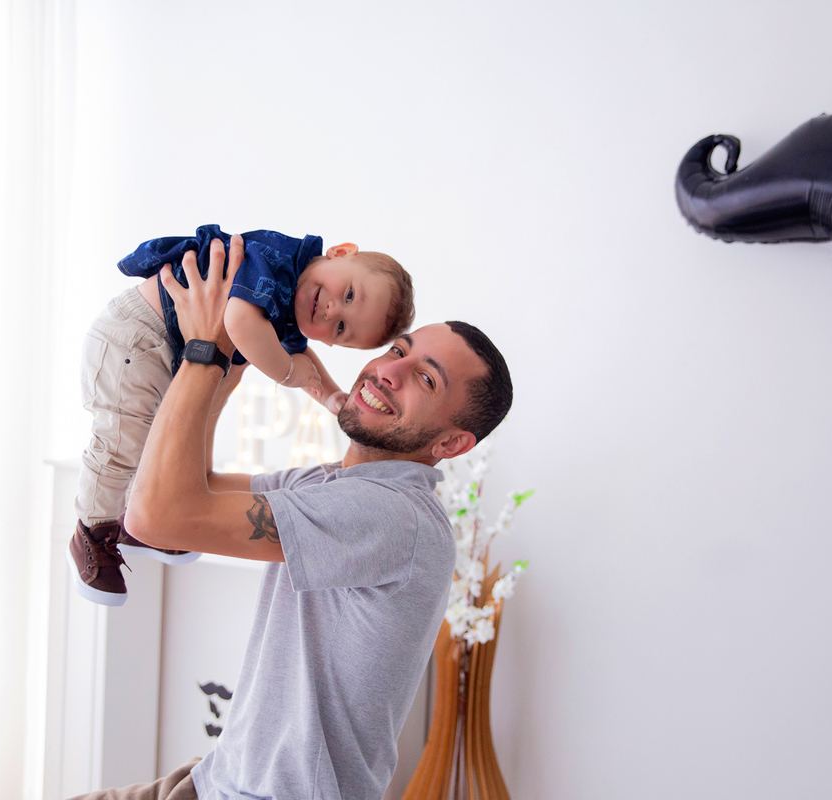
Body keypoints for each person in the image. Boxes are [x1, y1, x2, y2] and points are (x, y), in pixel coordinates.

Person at [68, 235, 513, 800]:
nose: (390, 372)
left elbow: (155, 515)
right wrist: (229, 345)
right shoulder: (329, 485)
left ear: (452, 443)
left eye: (427, 379)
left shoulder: (393, 517)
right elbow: (188, 488)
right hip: (216, 779)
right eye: (399, 351)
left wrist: (205, 347)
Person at [69, 225, 416, 607]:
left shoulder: (291, 302)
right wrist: (286, 372)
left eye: (340, 328)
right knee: (122, 442)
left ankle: (137, 525)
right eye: (349, 293)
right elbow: (239, 324)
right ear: (340, 251)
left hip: (160, 346)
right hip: (135, 336)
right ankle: (91, 529)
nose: (334, 309)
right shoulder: (275, 262)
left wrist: (330, 394)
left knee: (154, 446)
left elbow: (299, 357)